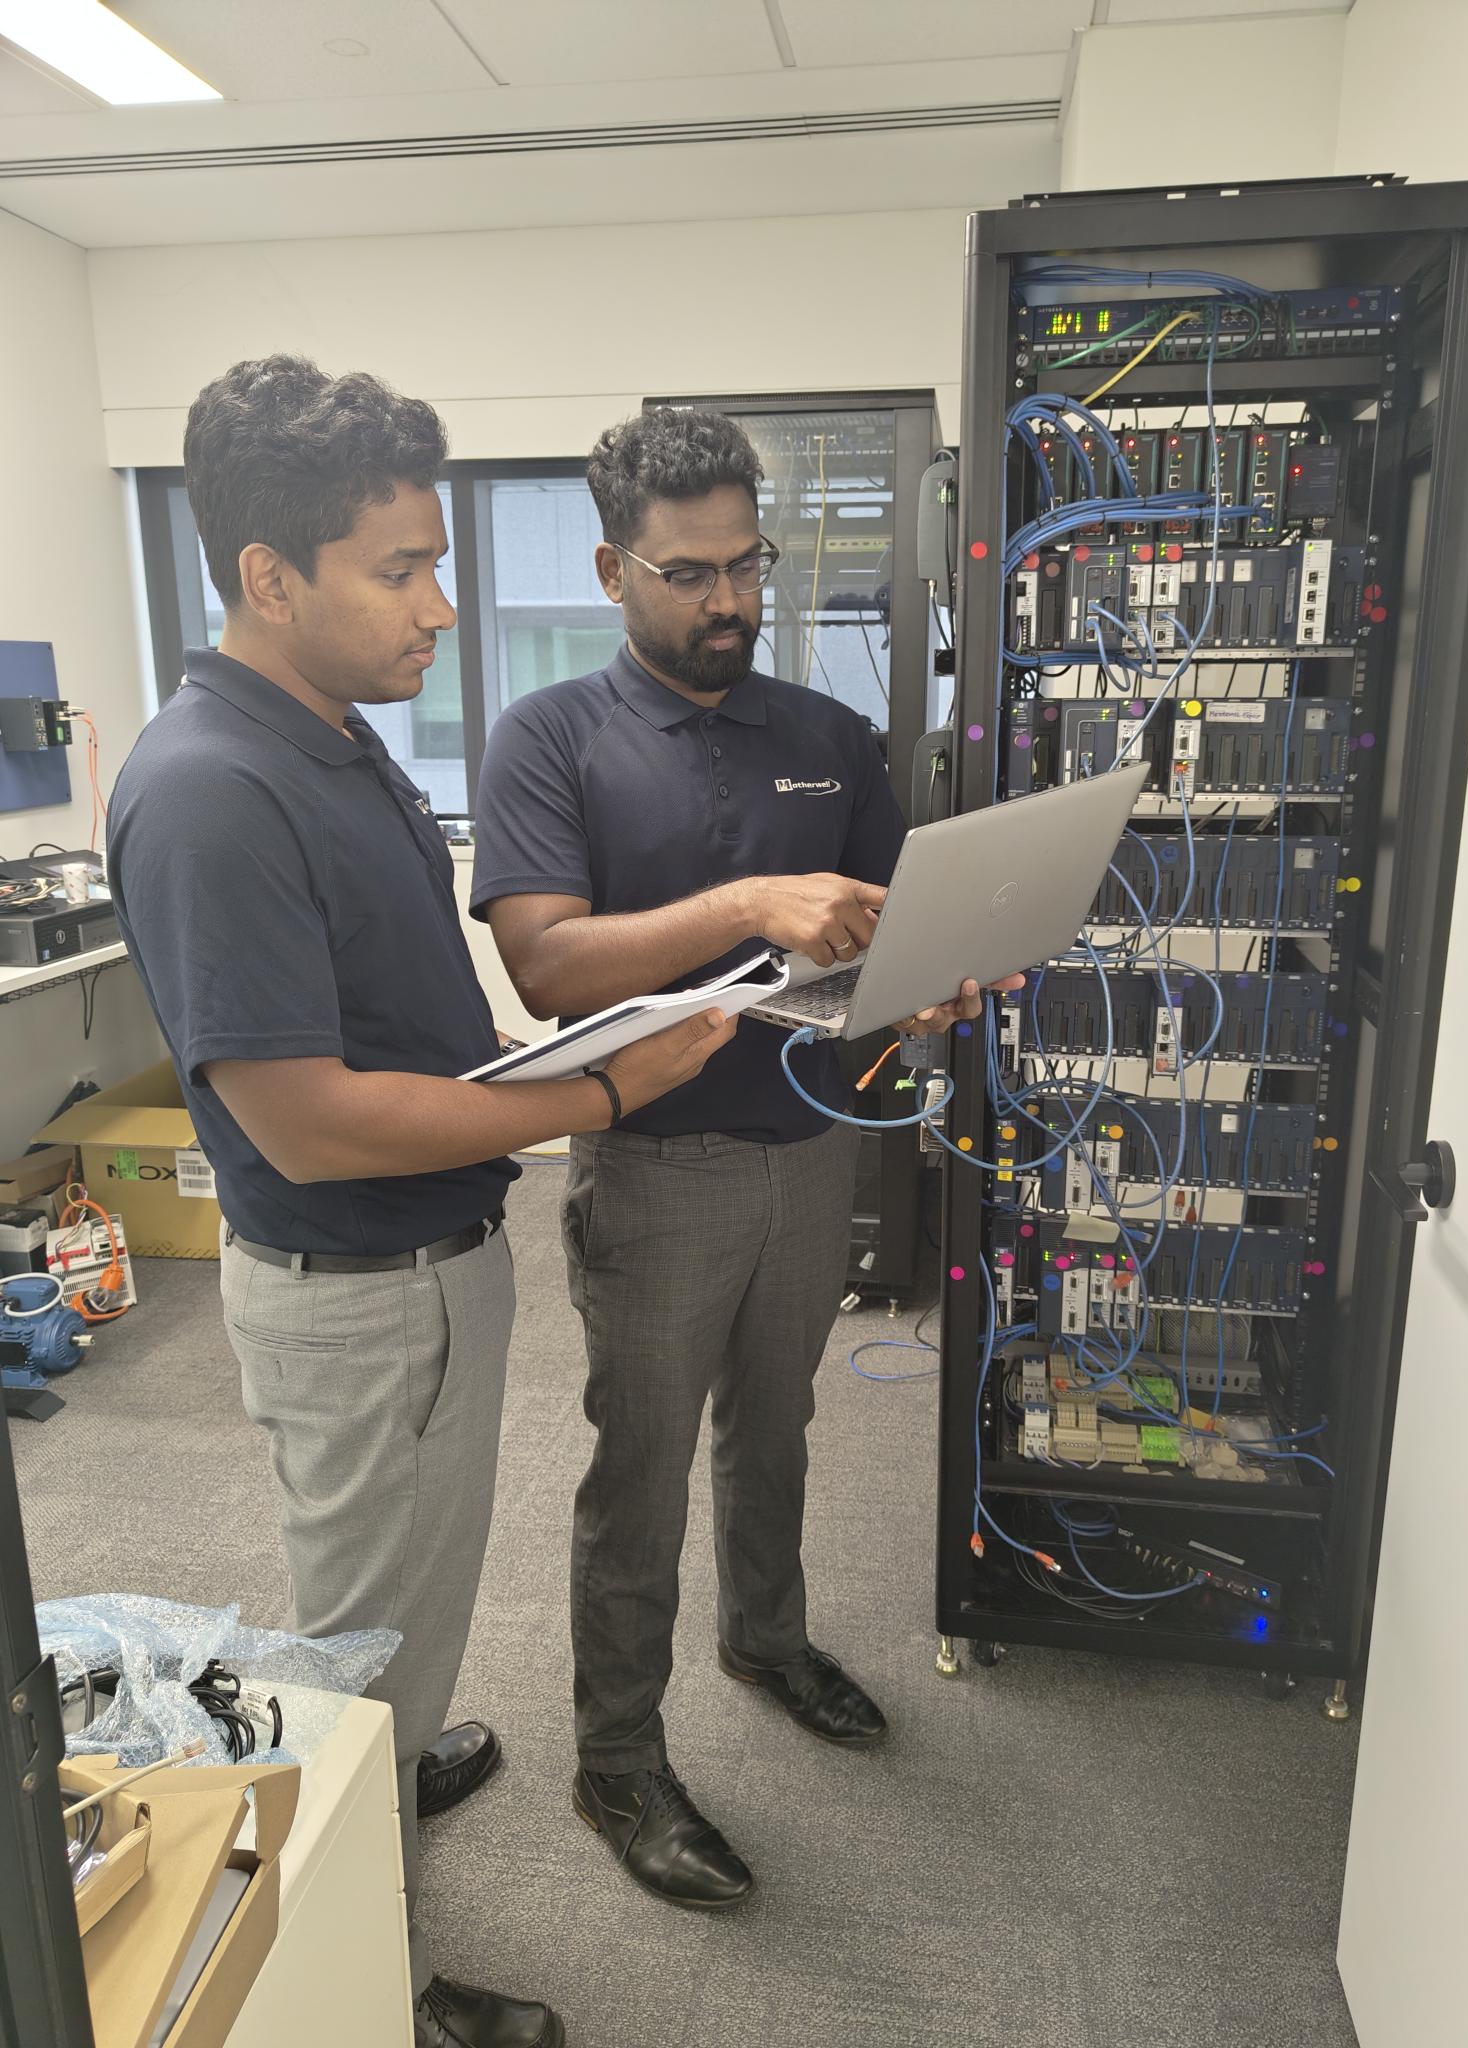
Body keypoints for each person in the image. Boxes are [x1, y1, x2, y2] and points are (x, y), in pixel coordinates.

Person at [107, 359, 735, 2047]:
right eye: (400, 571)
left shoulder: (329, 737)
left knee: (410, 1602)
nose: (442, 609)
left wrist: (561, 1047)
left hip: (426, 1266)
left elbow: (394, 1021)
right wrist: (602, 1094)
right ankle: (365, 1977)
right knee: (359, 1642)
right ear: (269, 577)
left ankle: (393, 1742)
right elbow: (309, 1122)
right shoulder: (210, 788)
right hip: (359, 1290)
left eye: (439, 565)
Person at [472, 408, 1004, 1910]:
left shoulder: (828, 737)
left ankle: (765, 1640)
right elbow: (547, 967)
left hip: (811, 1149)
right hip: (655, 1170)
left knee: (776, 1430)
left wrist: (933, 974)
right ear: (613, 571)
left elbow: (888, 926)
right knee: (638, 1476)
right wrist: (751, 901)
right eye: (690, 572)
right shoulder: (551, 737)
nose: (730, 600)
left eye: (748, 564)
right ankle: (617, 1760)